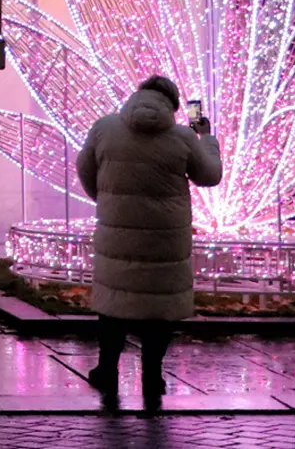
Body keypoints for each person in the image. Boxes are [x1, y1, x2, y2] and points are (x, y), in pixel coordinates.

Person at [76, 75, 222, 410]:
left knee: (115, 302)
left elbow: (84, 168)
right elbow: (210, 175)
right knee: (159, 308)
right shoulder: (184, 137)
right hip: (165, 238)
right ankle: (152, 374)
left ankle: (107, 369)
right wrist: (207, 138)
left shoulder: (105, 128)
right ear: (172, 104)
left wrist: (106, 199)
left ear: (138, 94)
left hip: (117, 232)